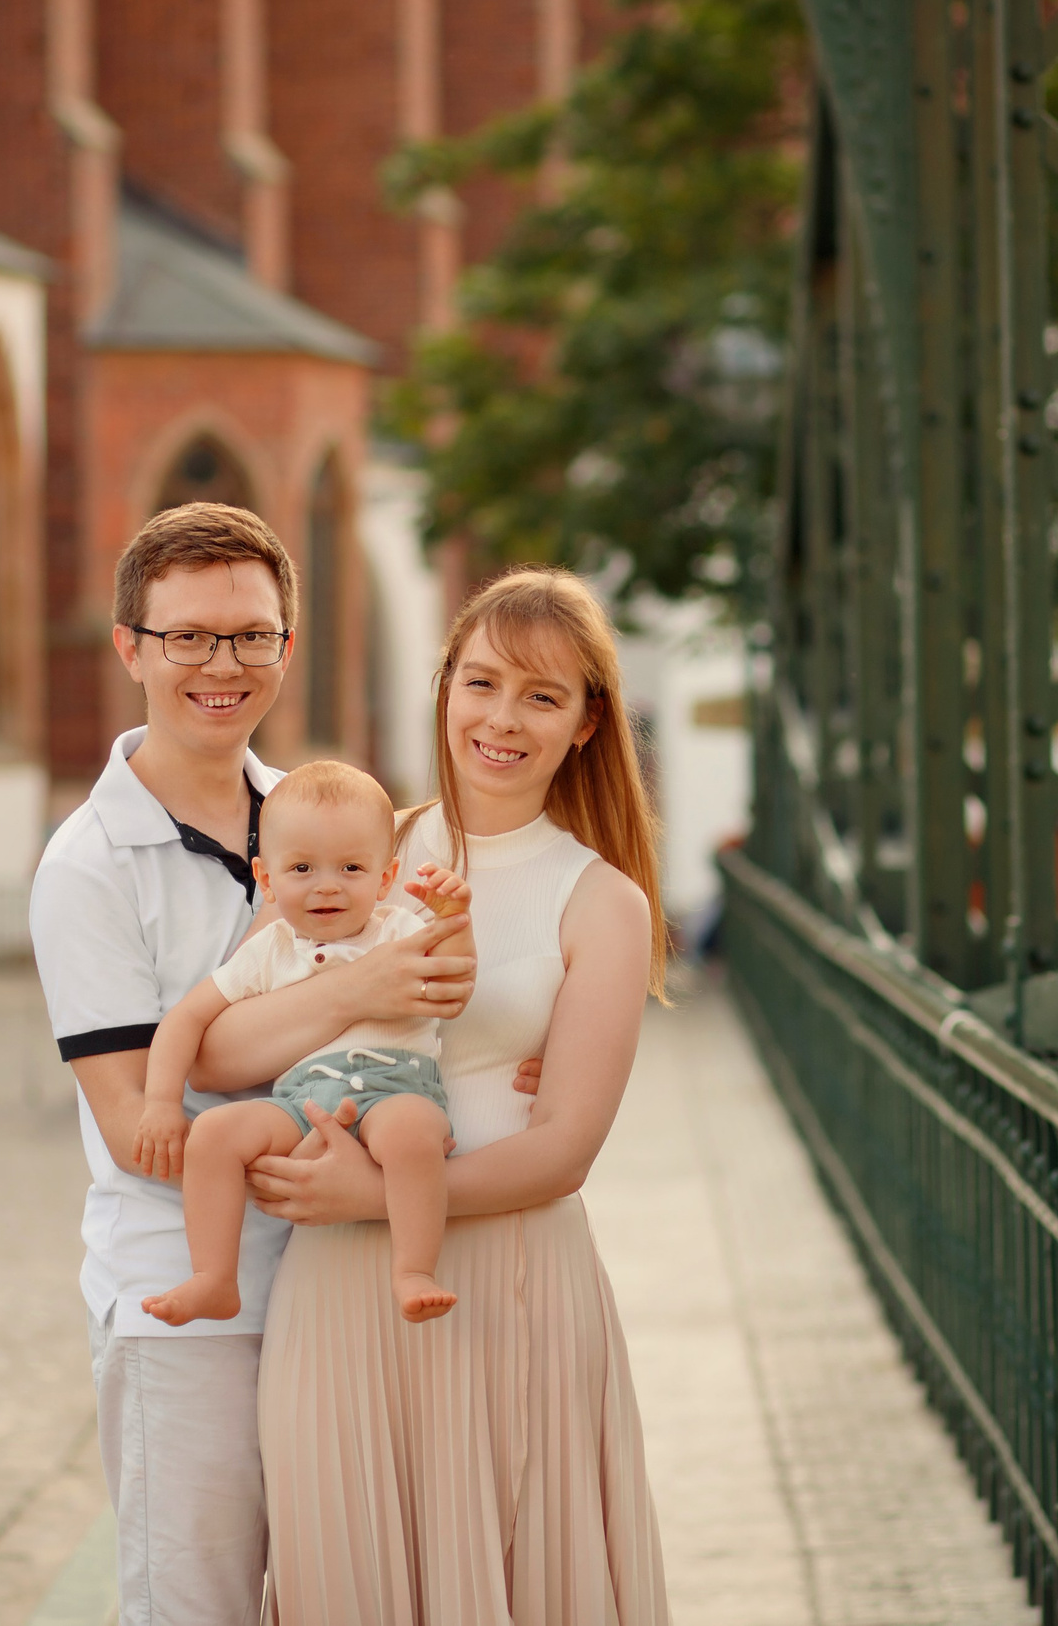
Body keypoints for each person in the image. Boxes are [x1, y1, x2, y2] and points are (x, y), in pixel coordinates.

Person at [26, 503, 480, 1626]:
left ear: (287, 645)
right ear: (129, 647)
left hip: (342, 1282)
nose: (221, 665)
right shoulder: (88, 866)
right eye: (187, 636)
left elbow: (436, 1015)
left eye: (249, 635)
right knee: (201, 1609)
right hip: (190, 1310)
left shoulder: (330, 822)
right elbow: (145, 1124)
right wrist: (357, 998)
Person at [193, 566, 673, 1624]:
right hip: (335, 1284)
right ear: (444, 684)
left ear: (587, 723)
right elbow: (216, 1051)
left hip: (511, 1283)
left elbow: (565, 1150)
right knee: (342, 1573)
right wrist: (357, 989)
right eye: (482, 682)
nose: (501, 719)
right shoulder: (356, 851)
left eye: (542, 696)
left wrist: (372, 1197)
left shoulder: (601, 900)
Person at [135, 759, 474, 1328]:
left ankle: (414, 1269)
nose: (327, 884)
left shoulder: (396, 929)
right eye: (301, 868)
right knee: (213, 1133)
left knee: (412, 1135)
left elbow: (454, 982)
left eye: (351, 867)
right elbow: (185, 1020)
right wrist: (161, 1103)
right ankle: (214, 1277)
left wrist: (455, 919)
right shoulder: (269, 949)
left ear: (385, 877)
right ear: (266, 879)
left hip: (396, 1087)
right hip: (301, 1101)